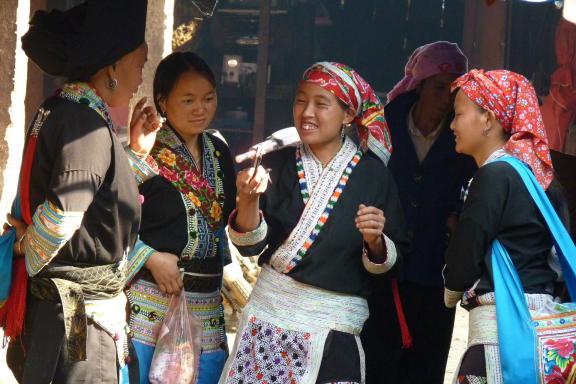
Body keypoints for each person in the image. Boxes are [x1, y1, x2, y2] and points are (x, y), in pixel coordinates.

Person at [219, 62, 408, 384]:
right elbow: (249, 244)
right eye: (300, 101)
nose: (307, 112)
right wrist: (248, 199)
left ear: (348, 115)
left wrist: (375, 240)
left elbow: (391, 264)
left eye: (321, 104)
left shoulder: (373, 175)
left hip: (335, 329)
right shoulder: (275, 163)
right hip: (269, 320)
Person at [1, 0, 158, 383]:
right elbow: (64, 215)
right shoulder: (82, 123)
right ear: (112, 69)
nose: (141, 77)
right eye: (139, 63)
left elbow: (95, 199)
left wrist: (134, 154)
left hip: (64, 312)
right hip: (76, 317)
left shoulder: (64, 109)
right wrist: (25, 247)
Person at [444, 69, 568, 384]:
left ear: (489, 119)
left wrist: (450, 290)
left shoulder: (492, 177)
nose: (452, 125)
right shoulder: (543, 182)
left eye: (459, 114)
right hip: (544, 341)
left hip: (497, 336)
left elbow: (462, 264)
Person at [362, 41, 475, 383]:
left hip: (435, 270)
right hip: (385, 265)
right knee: (379, 359)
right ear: (420, 85)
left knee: (427, 362)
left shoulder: (465, 134)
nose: (447, 98)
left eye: (454, 90)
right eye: (439, 87)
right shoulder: (387, 124)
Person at [124, 51, 236, 384]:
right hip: (150, 306)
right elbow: (108, 217)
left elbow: (226, 225)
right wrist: (149, 257)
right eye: (188, 100)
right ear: (163, 102)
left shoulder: (219, 151)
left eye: (208, 98)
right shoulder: (145, 148)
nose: (200, 109)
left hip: (208, 309)